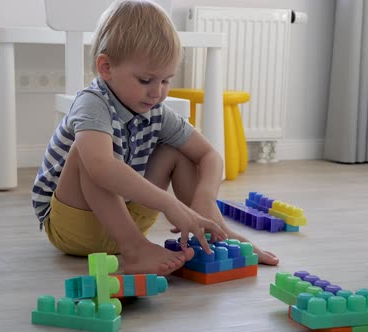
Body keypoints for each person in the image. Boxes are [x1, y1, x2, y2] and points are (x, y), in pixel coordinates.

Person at [32, 0, 279, 275]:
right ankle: (136, 249)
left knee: (178, 152)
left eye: (165, 80)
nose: (157, 93)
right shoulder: (93, 102)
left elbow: (209, 155)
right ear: (106, 67)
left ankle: (217, 234)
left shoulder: (158, 112)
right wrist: (170, 204)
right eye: (145, 80)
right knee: (90, 156)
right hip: (72, 227)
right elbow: (101, 168)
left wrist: (205, 198)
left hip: (123, 218)